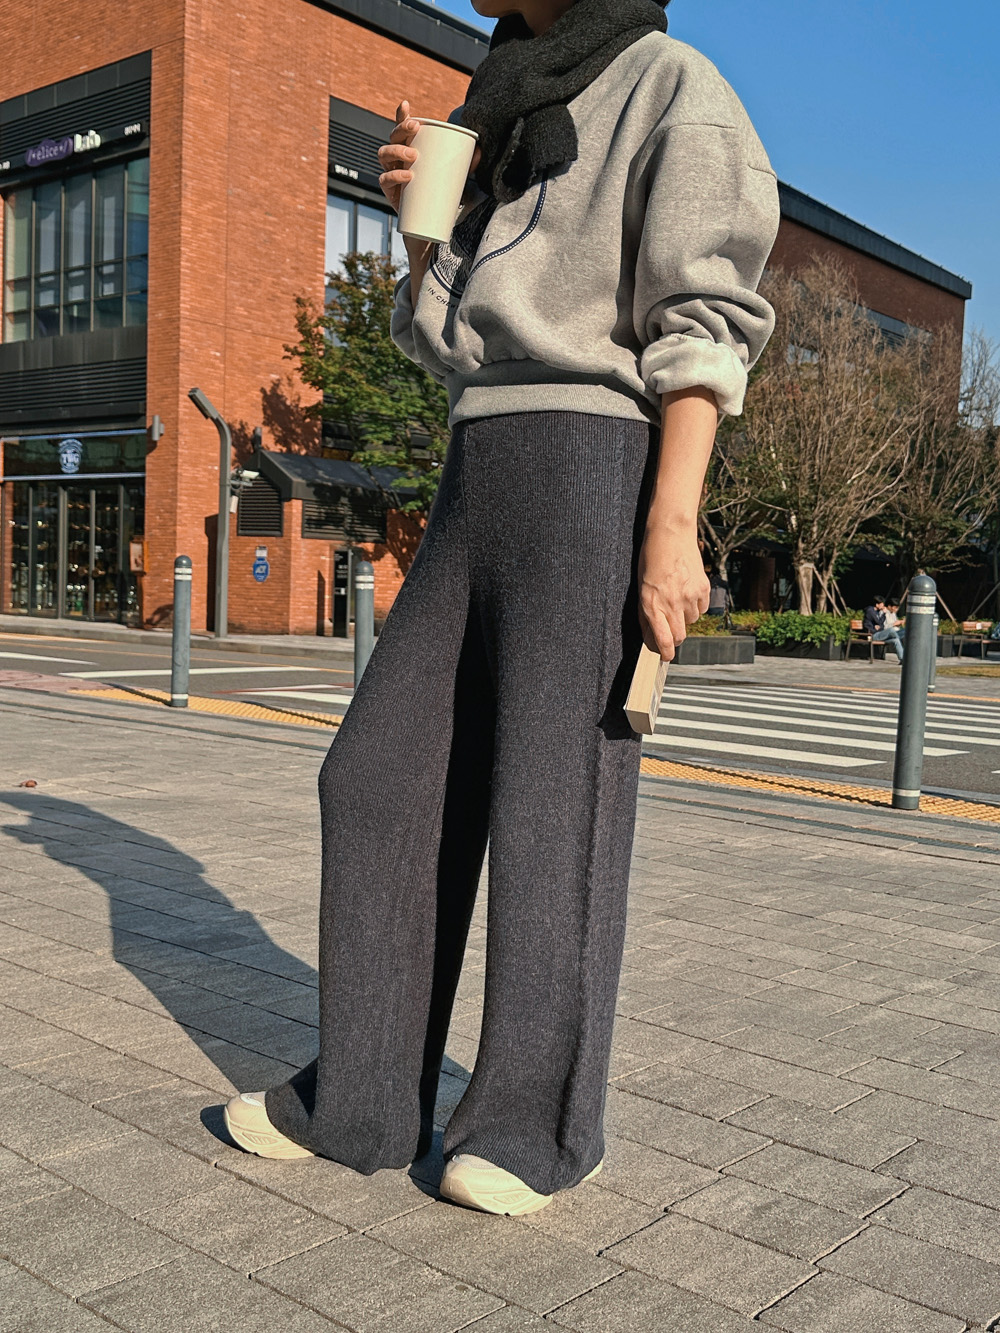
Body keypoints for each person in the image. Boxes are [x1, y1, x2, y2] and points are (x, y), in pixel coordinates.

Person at [223, 0, 780, 1215]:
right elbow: (445, 338)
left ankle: (539, 1124)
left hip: (594, 461)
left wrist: (670, 526)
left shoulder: (672, 84)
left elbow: (704, 321)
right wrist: (424, 232)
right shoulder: (507, 105)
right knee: (377, 778)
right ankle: (363, 1101)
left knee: (552, 802)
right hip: (478, 468)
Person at [863, 595, 904, 662]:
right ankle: (896, 636)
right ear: (877, 604)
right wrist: (884, 615)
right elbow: (879, 623)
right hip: (873, 635)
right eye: (882, 604)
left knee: (896, 640)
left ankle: (902, 659)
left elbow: (880, 624)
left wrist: (879, 626)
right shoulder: (870, 611)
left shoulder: (877, 612)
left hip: (880, 634)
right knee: (891, 630)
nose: (883, 606)